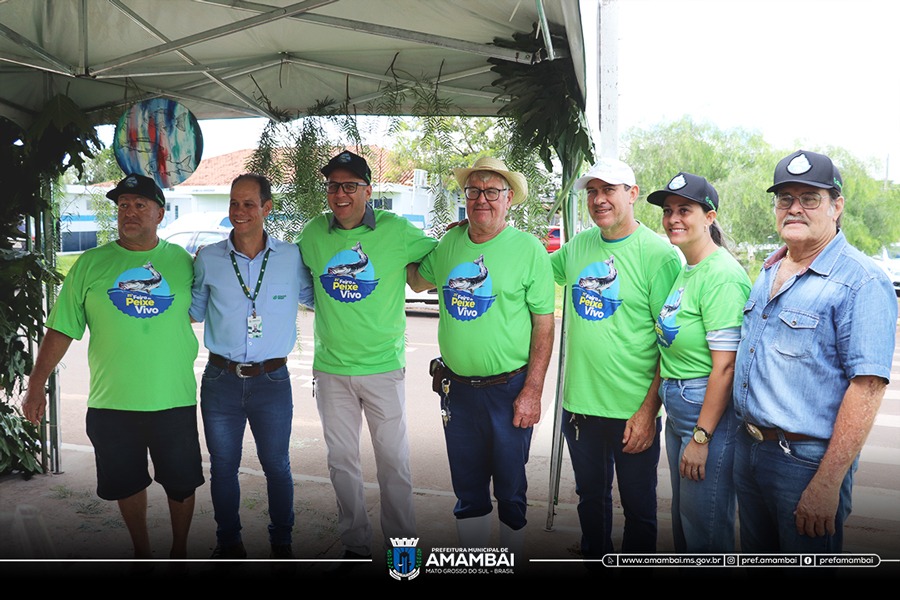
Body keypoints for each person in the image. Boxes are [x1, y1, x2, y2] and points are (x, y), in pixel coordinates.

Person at [22, 173, 204, 562]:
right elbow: (61, 329)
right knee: (126, 482)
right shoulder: (90, 265)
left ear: (160, 213)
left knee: (182, 482)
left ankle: (180, 552)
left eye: (140, 205)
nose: (130, 212)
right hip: (112, 402)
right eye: (123, 205)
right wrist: (36, 384)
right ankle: (142, 552)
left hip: (173, 398)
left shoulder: (185, 264)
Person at [733, 150, 896, 553]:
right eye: (785, 198)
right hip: (751, 451)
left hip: (805, 464)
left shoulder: (861, 282)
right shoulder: (771, 269)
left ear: (836, 206)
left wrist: (826, 483)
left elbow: (868, 387)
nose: (794, 208)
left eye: (810, 198)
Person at [407, 157, 555, 558]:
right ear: (465, 197)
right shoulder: (450, 243)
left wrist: (533, 391)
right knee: (468, 490)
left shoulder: (528, 250)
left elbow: (544, 325)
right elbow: (416, 280)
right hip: (458, 391)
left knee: (510, 488)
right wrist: (409, 242)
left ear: (508, 199)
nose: (482, 199)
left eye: (492, 192)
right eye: (474, 191)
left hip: (509, 390)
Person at [296, 151, 437, 567]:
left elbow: (435, 262)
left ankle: (402, 549)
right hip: (332, 368)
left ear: (367, 192)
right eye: (334, 186)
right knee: (341, 461)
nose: (340, 194)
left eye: (350, 186)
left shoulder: (398, 231)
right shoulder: (312, 234)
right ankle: (355, 544)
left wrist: (461, 234)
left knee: (394, 461)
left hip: (383, 368)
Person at [550, 158, 681, 560]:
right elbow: (532, 272)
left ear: (632, 194)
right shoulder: (577, 248)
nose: (599, 199)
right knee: (590, 501)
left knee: (639, 510)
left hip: (632, 409)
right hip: (581, 406)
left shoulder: (661, 256)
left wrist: (647, 411)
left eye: (609, 190)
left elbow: (670, 344)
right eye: (592, 191)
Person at [190, 173, 314, 561]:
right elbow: (191, 310)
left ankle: (282, 542)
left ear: (266, 208)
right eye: (233, 203)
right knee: (223, 467)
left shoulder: (291, 257)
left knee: (277, 465)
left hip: (272, 380)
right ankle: (229, 543)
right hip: (220, 379)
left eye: (248, 204)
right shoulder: (208, 258)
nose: (239, 212)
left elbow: (320, 296)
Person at [647, 172, 750, 552]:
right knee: (685, 522)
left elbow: (726, 367)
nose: (673, 218)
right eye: (668, 210)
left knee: (705, 529)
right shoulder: (686, 269)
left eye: (684, 210)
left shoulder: (722, 275)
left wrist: (702, 437)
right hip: (679, 406)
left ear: (709, 217)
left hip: (704, 410)